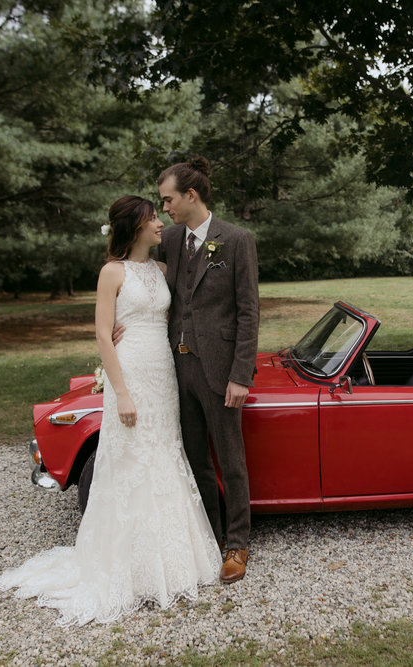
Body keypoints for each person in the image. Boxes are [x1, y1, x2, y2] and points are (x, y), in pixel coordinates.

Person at [0, 196, 221, 626]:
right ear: (134, 227)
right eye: (153, 218)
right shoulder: (110, 272)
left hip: (164, 374)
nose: (160, 223)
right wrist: (121, 392)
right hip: (131, 373)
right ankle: (129, 568)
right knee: (132, 460)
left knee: (163, 454)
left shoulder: (160, 270)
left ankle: (170, 562)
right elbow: (102, 334)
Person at [155, 157, 260, 583]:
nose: (164, 209)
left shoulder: (236, 240)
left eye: (168, 200)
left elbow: (248, 313)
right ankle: (210, 538)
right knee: (195, 458)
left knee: (230, 459)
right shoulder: (171, 239)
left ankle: (237, 545)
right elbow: (131, 265)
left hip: (220, 370)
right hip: (177, 368)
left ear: (191, 195)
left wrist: (241, 374)